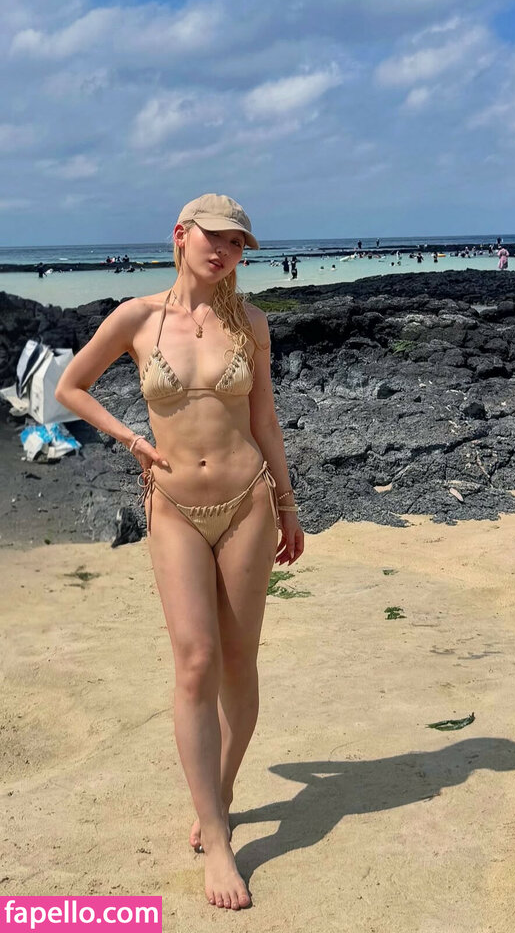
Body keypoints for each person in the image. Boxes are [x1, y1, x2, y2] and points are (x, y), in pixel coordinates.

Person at [55, 194, 304, 912]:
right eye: (213, 237)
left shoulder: (250, 322)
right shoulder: (135, 318)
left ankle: (217, 794)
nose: (224, 251)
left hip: (249, 500)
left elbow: (265, 419)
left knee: (238, 662)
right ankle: (219, 840)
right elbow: (71, 387)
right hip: (173, 509)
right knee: (195, 661)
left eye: (237, 242)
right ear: (180, 235)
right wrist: (131, 438)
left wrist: (289, 504)